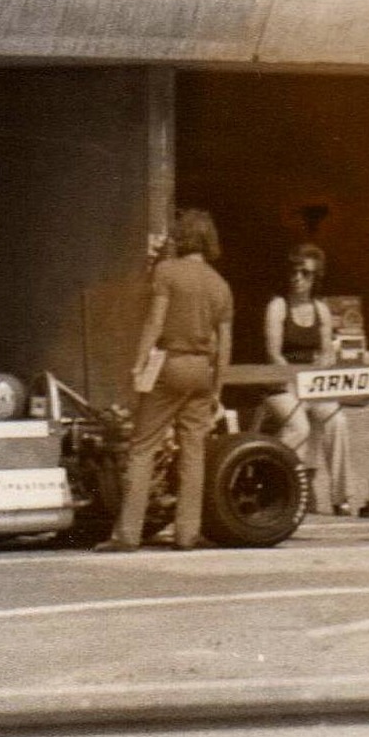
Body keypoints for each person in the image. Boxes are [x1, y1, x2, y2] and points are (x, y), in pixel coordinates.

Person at [97, 208, 233, 553]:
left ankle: (127, 534)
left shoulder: (167, 272)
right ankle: (187, 534)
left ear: (182, 237)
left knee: (143, 448)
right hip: (201, 370)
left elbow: (155, 322)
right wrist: (217, 387)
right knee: (193, 452)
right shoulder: (220, 285)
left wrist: (139, 362)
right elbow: (225, 344)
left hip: (169, 364)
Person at [259, 243, 353, 515]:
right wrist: (295, 380)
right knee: (299, 426)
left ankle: (341, 497)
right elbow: (274, 354)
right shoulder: (278, 306)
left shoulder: (321, 309)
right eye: (294, 271)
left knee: (338, 420)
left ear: (316, 278)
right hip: (282, 385)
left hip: (312, 384)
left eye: (305, 273)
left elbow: (326, 353)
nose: (297, 278)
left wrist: (322, 367)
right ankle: (276, 486)